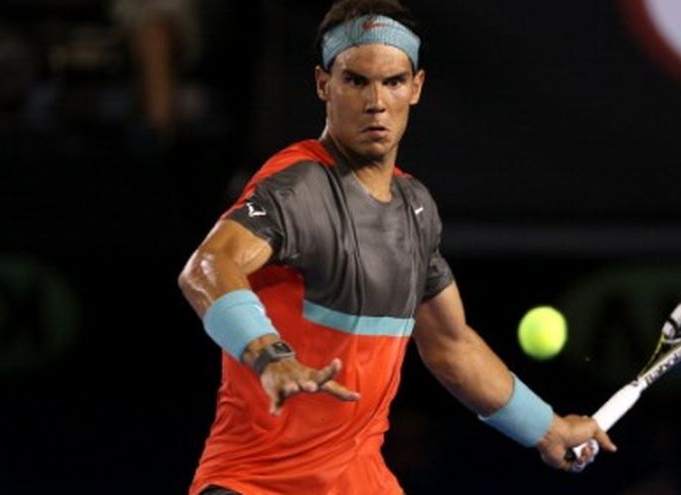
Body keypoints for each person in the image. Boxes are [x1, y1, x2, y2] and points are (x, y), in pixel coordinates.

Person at [177, 1, 616, 493]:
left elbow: (451, 346)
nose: (376, 102)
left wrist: (547, 428)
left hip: (359, 480)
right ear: (323, 84)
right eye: (355, 81)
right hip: (256, 483)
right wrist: (270, 356)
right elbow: (207, 265)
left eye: (393, 82)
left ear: (416, 87)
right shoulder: (298, 188)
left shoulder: (415, 207)